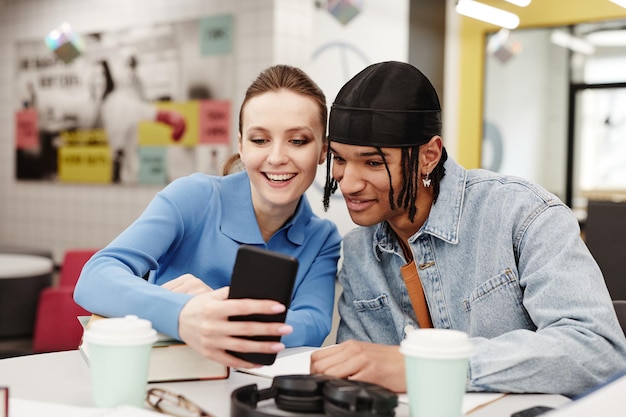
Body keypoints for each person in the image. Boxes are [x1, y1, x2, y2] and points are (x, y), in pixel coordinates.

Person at [310, 61, 626, 397]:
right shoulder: (359, 252)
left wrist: (430, 368)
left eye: (373, 162)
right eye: (340, 160)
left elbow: (598, 350)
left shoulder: (522, 214)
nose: (348, 182)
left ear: (429, 155)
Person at [74, 64, 341, 369]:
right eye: (260, 140)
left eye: (298, 141)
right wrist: (184, 312)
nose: (277, 157)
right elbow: (95, 277)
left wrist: (219, 309)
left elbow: (314, 323)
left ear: (323, 151)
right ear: (240, 145)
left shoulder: (323, 238)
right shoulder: (195, 197)